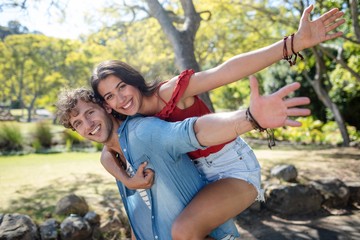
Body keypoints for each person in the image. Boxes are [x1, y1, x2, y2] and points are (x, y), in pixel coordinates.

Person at [89, 5, 344, 239]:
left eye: (122, 87)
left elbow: (226, 71)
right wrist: (127, 180)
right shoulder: (132, 121)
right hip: (196, 177)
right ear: (106, 105)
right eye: (110, 96)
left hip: (232, 169)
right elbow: (107, 152)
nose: (120, 98)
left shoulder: (169, 92)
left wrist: (293, 43)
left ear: (133, 80)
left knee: (184, 230)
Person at [56, 77, 310, 239]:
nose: (87, 124)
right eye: (78, 123)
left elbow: (194, 131)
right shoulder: (115, 158)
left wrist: (250, 119)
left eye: (90, 112)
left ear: (107, 107)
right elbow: (140, 219)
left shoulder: (142, 132)